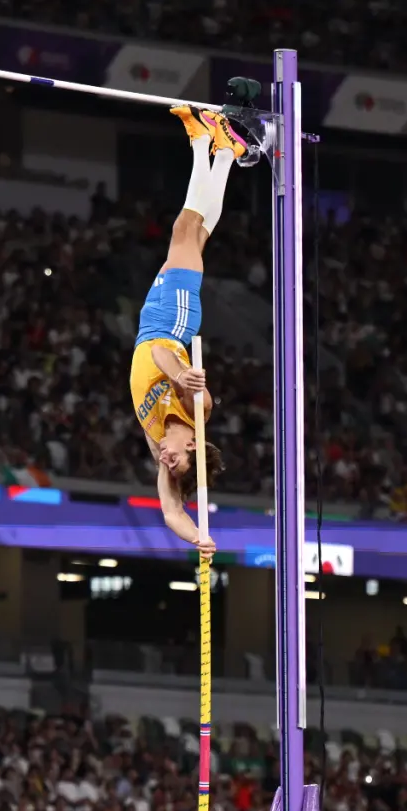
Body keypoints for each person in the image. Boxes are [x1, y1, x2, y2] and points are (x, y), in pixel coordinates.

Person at [130, 106, 246, 557]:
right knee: (185, 228)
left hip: (150, 320)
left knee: (195, 236)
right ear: (194, 444)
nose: (166, 460)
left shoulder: (160, 441)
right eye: (176, 460)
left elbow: (171, 511)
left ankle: (227, 152)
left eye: (170, 466)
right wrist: (181, 377)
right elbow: (162, 356)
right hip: (173, 323)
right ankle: (201, 142)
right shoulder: (197, 406)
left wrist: (199, 536)